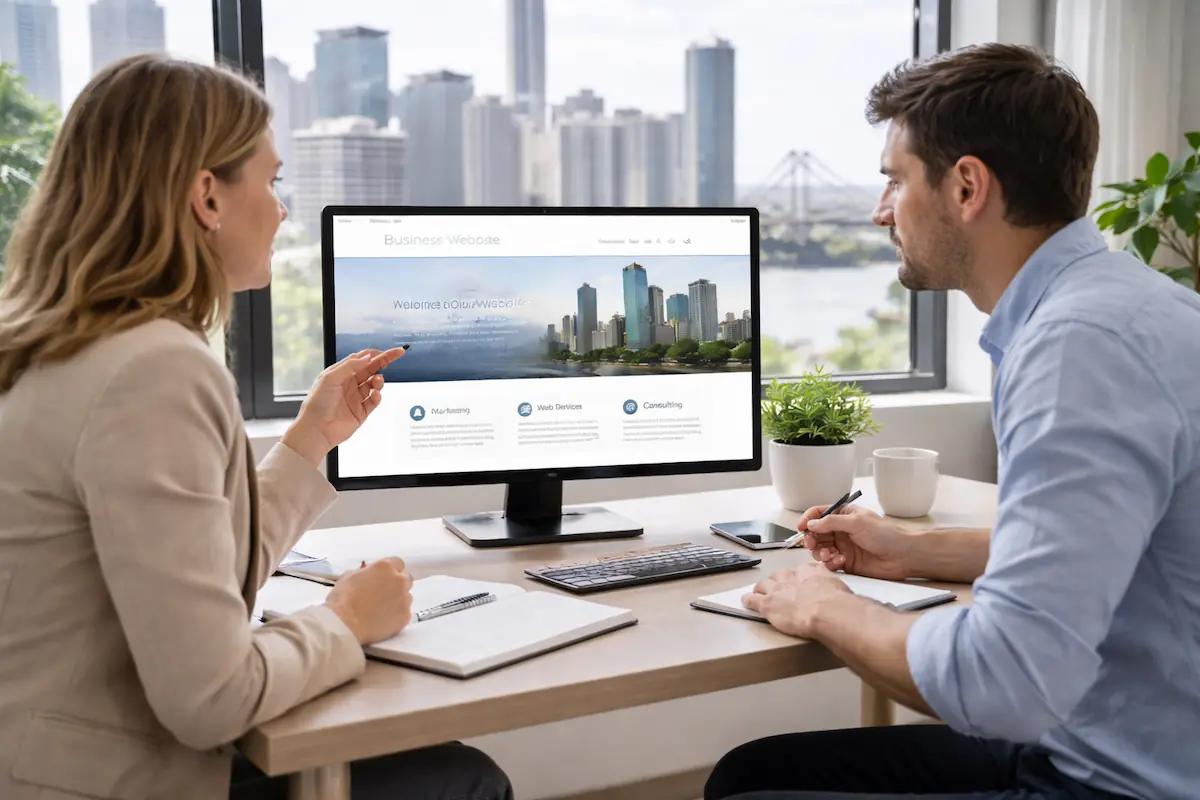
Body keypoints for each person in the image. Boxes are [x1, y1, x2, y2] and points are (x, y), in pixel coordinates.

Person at [0, 54, 512, 800]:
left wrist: (310, 439)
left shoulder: (66, 344)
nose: (280, 210)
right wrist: (346, 621)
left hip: (44, 754)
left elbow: (193, 563)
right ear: (206, 195)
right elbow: (212, 699)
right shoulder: (152, 370)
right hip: (107, 780)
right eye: (271, 182)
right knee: (465, 779)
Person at [705, 42, 1200, 800]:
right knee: (751, 772)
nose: (879, 213)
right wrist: (916, 553)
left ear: (967, 185)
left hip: (1123, 784)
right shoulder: (1129, 305)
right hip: (1103, 744)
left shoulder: (1078, 348)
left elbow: (1005, 681)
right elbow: (1104, 547)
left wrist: (825, 608)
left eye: (894, 182)